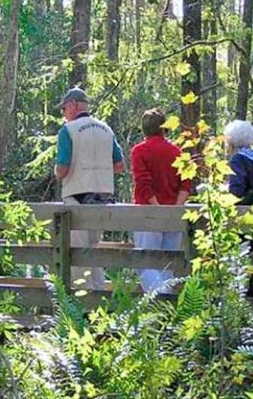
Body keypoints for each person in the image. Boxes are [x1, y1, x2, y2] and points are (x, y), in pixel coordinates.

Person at [55, 87, 124, 290]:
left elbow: (63, 168)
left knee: (77, 253)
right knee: (95, 250)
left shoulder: (68, 131)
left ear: (73, 105)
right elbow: (120, 166)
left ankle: (82, 306)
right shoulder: (106, 129)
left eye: (64, 109)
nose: (64, 114)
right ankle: (99, 295)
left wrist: (57, 173)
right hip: (102, 198)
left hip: (76, 198)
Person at [131, 108, 191, 293]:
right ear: (164, 128)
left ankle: (159, 301)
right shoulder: (176, 151)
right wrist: (174, 210)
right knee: (167, 264)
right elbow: (185, 184)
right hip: (172, 214)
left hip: (148, 214)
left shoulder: (139, 151)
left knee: (145, 262)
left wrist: (158, 210)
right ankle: (164, 312)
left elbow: (143, 183)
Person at [224, 119, 253, 297]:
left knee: (243, 259)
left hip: (244, 216)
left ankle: (244, 301)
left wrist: (222, 197)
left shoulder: (238, 159)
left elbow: (237, 190)